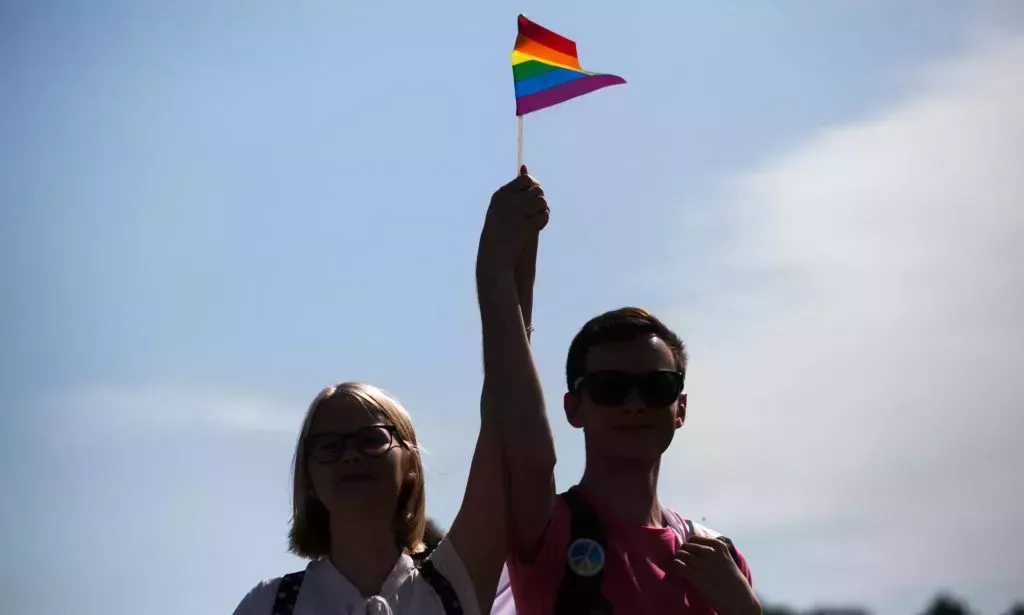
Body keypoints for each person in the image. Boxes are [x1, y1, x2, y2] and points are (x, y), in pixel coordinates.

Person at [232, 171, 549, 615]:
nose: (349, 456)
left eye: (372, 439)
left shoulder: (455, 582)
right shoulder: (268, 605)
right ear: (308, 480)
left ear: (411, 465)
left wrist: (503, 268)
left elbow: (503, 419)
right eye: (328, 447)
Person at [477, 175, 760, 613]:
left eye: (656, 387)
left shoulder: (718, 560)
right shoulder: (550, 528)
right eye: (610, 388)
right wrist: (499, 271)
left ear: (681, 407)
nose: (634, 404)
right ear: (573, 407)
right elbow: (522, 438)